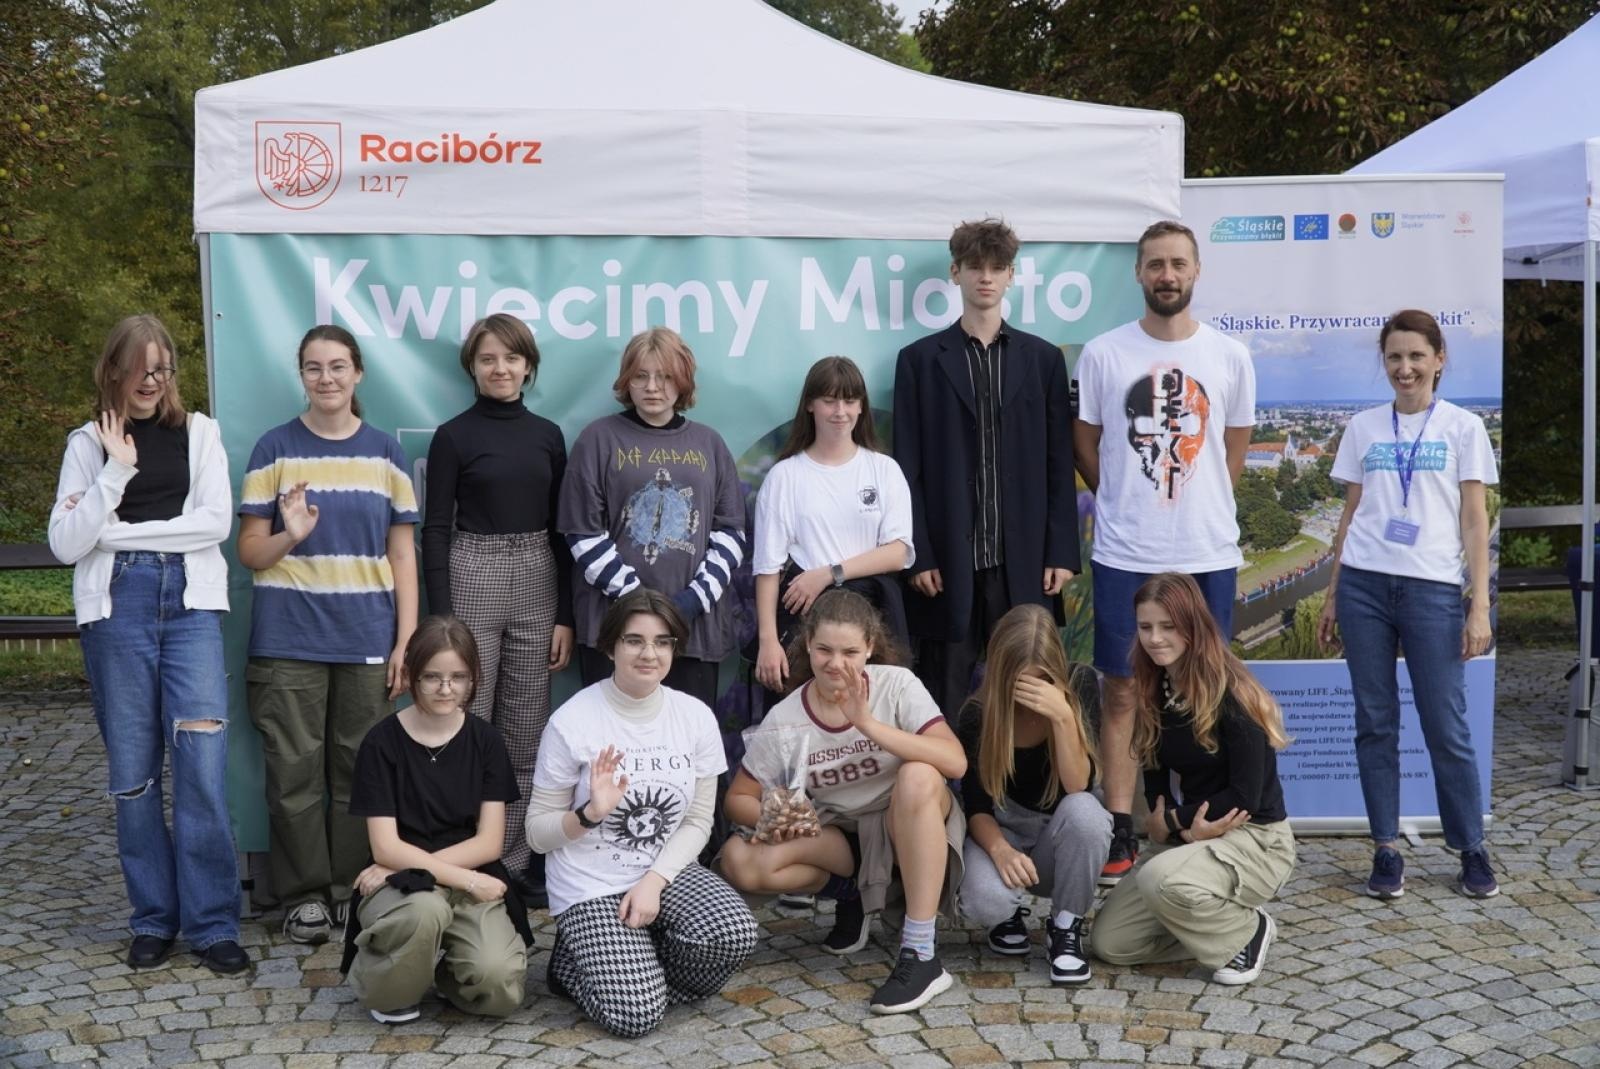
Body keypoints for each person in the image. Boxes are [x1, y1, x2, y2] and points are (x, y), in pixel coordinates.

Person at [48, 315, 249, 975]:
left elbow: (213, 524)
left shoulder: (200, 433)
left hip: (190, 606)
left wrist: (115, 532)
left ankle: (213, 924)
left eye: (162, 368)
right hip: (117, 610)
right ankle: (154, 919)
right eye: (139, 368)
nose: (151, 380)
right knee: (133, 776)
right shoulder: (88, 444)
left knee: (202, 766)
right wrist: (116, 473)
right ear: (114, 370)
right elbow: (66, 543)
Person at [1073, 219, 1256, 884]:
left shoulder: (1230, 355)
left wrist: (1195, 504)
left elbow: (1233, 447)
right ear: (1139, 273)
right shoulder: (1104, 354)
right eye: (1155, 264)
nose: (1167, 275)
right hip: (1127, 550)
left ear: (1196, 270)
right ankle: (1121, 826)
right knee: (1122, 690)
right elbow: (1086, 442)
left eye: (1178, 263)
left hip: (1206, 550)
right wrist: (1128, 500)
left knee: (1208, 687)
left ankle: (1210, 815)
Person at [238, 324, 419, 945]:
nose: (326, 378)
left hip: (367, 638)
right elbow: (250, 552)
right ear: (302, 376)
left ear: (358, 373)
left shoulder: (385, 455)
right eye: (314, 368)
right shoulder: (274, 448)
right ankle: (304, 897)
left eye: (338, 366)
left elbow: (402, 554)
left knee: (358, 772)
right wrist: (290, 535)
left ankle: (351, 889)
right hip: (287, 640)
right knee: (292, 774)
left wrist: (406, 641)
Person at [1317, 309, 1499, 899]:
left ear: (1439, 359)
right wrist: (1333, 593)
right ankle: (1386, 848)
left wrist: (1478, 605)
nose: (1405, 367)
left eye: (1417, 356)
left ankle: (1470, 847)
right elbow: (1351, 515)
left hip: (1432, 591)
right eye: (1395, 357)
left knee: (1446, 725)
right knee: (1375, 723)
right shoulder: (1363, 428)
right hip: (1364, 587)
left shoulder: (1464, 428)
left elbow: (1475, 521)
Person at [719, 590, 968, 1016]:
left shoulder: (896, 685)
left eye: (850, 652)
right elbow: (737, 799)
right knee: (738, 860)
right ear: (808, 645)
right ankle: (852, 895)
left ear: (869, 647)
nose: (836, 663)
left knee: (918, 774)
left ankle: (921, 953)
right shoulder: (787, 715)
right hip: (841, 833)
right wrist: (775, 816)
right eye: (825, 650)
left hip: (907, 822)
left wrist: (867, 724)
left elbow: (955, 761)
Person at [525, 589, 756, 1038]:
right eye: (634, 641)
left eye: (662, 642)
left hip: (663, 873)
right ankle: (573, 966)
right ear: (610, 647)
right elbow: (537, 833)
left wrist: (654, 880)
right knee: (636, 1015)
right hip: (591, 882)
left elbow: (698, 821)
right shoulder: (572, 722)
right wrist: (589, 813)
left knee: (734, 934)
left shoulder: (694, 716)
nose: (649, 653)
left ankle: (634, 958)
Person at [893, 217, 1079, 722]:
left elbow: (1058, 462)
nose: (986, 277)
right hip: (947, 564)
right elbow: (906, 469)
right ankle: (949, 776)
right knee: (945, 698)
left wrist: (1061, 551)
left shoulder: (1043, 360)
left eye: (997, 267)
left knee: (1028, 694)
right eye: (975, 266)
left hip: (1023, 562)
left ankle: (1023, 776)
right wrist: (918, 554)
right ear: (955, 272)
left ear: (1012, 276)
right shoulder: (918, 361)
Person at [423, 313, 574, 906]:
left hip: (537, 571)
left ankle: (511, 861)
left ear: (528, 365)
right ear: (473, 367)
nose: (500, 369)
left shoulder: (548, 435)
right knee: (466, 719)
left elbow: (562, 532)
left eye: (511, 358)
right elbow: (436, 529)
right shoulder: (452, 436)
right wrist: (443, 621)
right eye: (488, 359)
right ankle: (461, 853)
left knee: (525, 726)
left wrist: (564, 613)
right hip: (473, 570)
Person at [1091, 573, 1294, 986]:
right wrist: (1176, 826)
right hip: (1194, 835)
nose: (1155, 638)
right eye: (1145, 627)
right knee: (1111, 943)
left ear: (1192, 626)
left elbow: (1246, 796)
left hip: (1254, 837)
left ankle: (1246, 932)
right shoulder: (1156, 687)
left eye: (1167, 626)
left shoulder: (1233, 692)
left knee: (1157, 878)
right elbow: (1155, 778)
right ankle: (1212, 923)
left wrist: (1172, 822)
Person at [342, 616, 530, 1023]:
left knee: (498, 986)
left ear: (473, 677)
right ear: (411, 675)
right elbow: (385, 845)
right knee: (424, 911)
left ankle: (445, 972)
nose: (446, 689)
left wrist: (412, 866)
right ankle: (387, 986)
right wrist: (447, 878)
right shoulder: (381, 743)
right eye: (432, 677)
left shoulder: (486, 741)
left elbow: (489, 843)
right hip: (401, 890)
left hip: (436, 871)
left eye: (458, 677)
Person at [560, 327, 746, 711]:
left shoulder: (710, 444)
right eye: (641, 376)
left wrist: (688, 603)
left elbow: (730, 532)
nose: (652, 387)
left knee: (687, 735)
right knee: (612, 734)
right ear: (626, 380)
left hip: (692, 627)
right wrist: (638, 603)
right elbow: (582, 532)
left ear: (683, 381)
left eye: (665, 377)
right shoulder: (598, 439)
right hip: (614, 625)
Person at [956, 604, 1111, 985]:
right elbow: (976, 807)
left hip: (1060, 837)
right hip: (1005, 829)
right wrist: (1000, 851)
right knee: (985, 901)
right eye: (1019, 682)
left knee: (1087, 812)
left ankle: (1066, 925)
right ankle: (1007, 915)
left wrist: (1063, 717)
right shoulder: (978, 713)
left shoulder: (1080, 685)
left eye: (1042, 679)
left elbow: (1078, 787)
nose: (1031, 692)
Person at [752, 355, 914, 699]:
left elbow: (899, 553)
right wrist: (768, 640)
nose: (840, 411)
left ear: (861, 407)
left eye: (850, 401)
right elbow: (767, 567)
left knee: (875, 715)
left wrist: (829, 574)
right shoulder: (785, 476)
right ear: (810, 405)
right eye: (829, 400)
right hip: (804, 622)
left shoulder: (884, 469)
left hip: (874, 619)